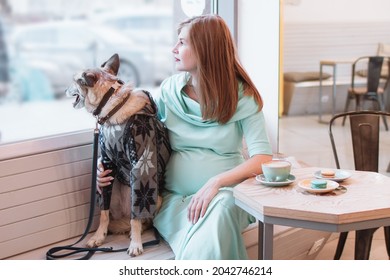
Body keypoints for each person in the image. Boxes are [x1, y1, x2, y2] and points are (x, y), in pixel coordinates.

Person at [97, 14, 273, 260]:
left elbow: (263, 158)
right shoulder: (169, 91)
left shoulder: (243, 97)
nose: (174, 49)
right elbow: (142, 141)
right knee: (206, 240)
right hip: (174, 202)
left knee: (220, 211)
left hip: (227, 194)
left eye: (182, 43)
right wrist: (107, 170)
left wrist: (216, 182)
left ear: (205, 48)